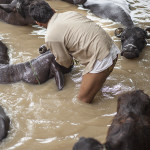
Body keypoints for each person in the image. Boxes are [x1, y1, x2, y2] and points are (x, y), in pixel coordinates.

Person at [29, 1, 120, 103]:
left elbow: (66, 62)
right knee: (97, 90)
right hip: (112, 50)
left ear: (38, 23)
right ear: (53, 10)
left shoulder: (50, 37)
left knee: (82, 101)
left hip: (102, 60)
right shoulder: (71, 13)